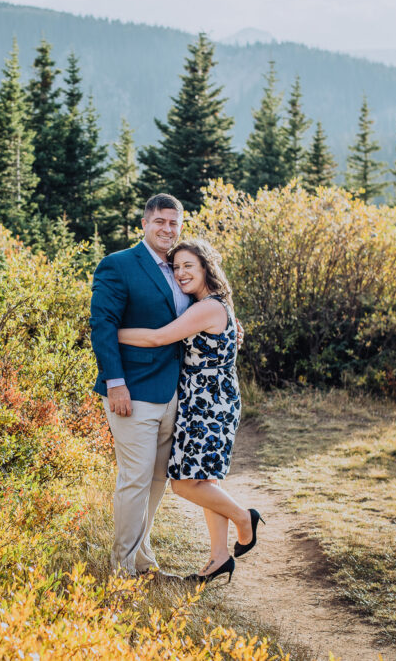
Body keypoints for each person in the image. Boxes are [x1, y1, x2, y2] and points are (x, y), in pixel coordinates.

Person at [118, 238, 262, 583]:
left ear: (206, 268)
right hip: (204, 400)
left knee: (184, 484)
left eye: (189, 266)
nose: (181, 273)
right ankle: (219, 556)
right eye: (176, 267)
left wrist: (111, 331)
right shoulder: (211, 305)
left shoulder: (207, 308)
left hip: (209, 405)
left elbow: (157, 338)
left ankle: (245, 518)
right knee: (205, 479)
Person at [90, 193, 191, 578]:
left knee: (156, 480)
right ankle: (122, 569)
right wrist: (115, 384)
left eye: (174, 223)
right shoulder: (119, 265)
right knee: (134, 479)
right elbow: (103, 326)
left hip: (172, 393)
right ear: (144, 224)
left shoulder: (181, 267)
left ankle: (144, 560)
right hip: (131, 393)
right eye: (160, 222)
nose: (167, 229)